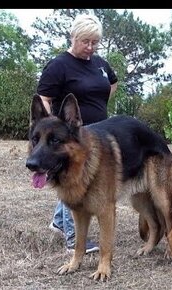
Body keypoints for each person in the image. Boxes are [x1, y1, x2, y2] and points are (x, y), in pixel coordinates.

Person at [36, 14, 118, 254]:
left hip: (99, 134)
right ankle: (73, 239)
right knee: (74, 181)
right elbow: (44, 97)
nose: (90, 47)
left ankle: (59, 222)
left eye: (95, 42)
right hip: (72, 137)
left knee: (79, 179)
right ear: (73, 37)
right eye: (86, 42)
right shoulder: (59, 65)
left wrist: (100, 102)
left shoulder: (100, 63)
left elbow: (112, 83)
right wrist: (53, 127)